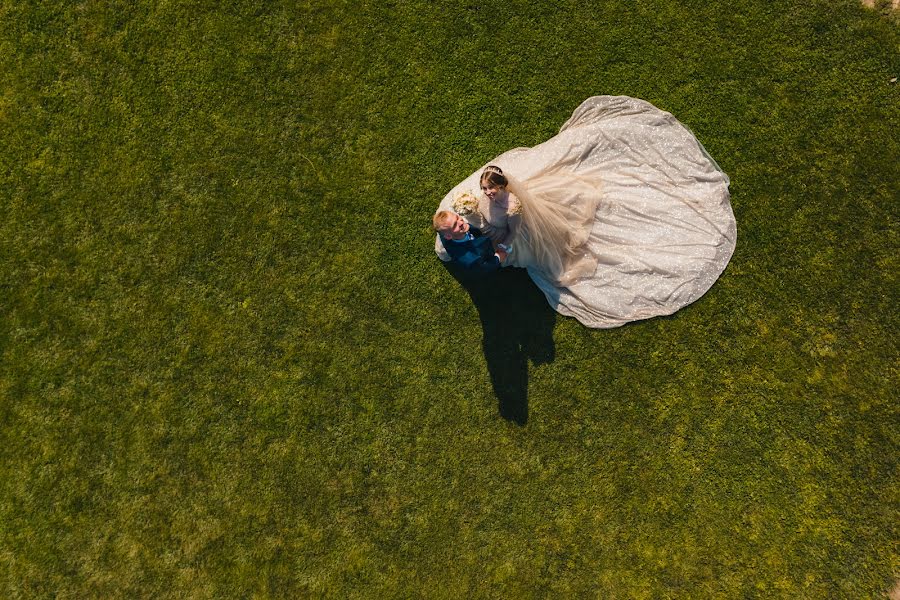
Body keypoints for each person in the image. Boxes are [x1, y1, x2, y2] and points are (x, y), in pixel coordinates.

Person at [434, 95, 737, 328]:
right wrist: (473, 217)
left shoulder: (512, 206)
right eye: (484, 190)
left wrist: (505, 246)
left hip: (517, 232)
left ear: (502, 188)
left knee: (552, 247)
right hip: (498, 232)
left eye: (491, 190)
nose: (486, 193)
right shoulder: (471, 212)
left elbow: (512, 231)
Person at [433, 210, 508, 273]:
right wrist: (497, 258)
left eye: (457, 217)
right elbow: (483, 268)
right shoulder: (470, 259)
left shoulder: (457, 231)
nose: (461, 222)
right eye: (455, 225)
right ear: (448, 236)